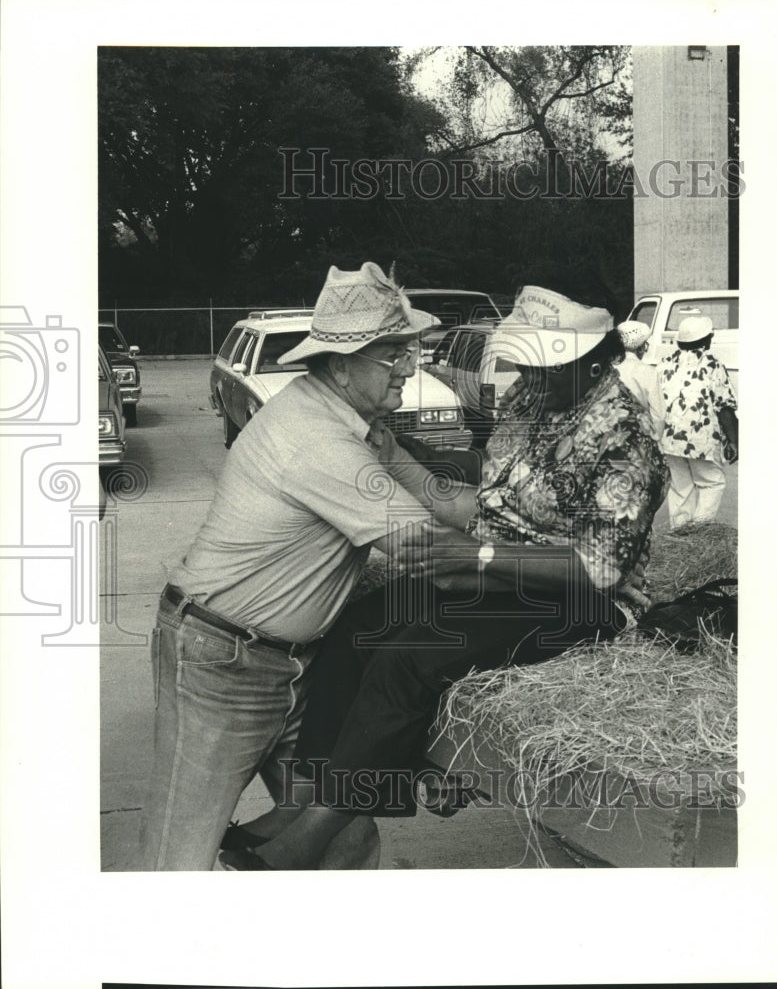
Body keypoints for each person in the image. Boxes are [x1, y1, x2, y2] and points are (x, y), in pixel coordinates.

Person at [218, 280, 670, 871]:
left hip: (577, 598)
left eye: (541, 369)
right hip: (504, 575)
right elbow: (488, 501)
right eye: (522, 366)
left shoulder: (623, 439)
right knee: (359, 626)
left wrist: (476, 558)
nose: (525, 380)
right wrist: (400, 463)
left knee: (414, 655)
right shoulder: (533, 405)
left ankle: (320, 827)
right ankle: (303, 799)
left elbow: (599, 568)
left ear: (587, 365)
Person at [139, 261, 477, 870]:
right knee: (179, 856)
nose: (410, 366)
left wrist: (527, 507)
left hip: (289, 665)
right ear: (341, 365)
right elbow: (436, 555)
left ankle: (327, 961)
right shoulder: (319, 443)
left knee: (344, 839)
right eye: (393, 354)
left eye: (412, 349)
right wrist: (564, 565)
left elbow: (446, 504)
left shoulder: (354, 424)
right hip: (223, 663)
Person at [658, 315, 738, 529]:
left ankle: (681, 534)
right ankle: (699, 533)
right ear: (706, 340)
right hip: (701, 439)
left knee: (680, 488)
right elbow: (724, 407)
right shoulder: (711, 364)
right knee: (712, 482)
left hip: (669, 439)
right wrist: (733, 440)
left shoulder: (664, 364)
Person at [615, 320, 665, 440]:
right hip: (638, 434)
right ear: (641, 347)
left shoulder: (609, 366)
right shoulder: (649, 372)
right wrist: (656, 439)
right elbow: (658, 415)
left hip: (611, 432)